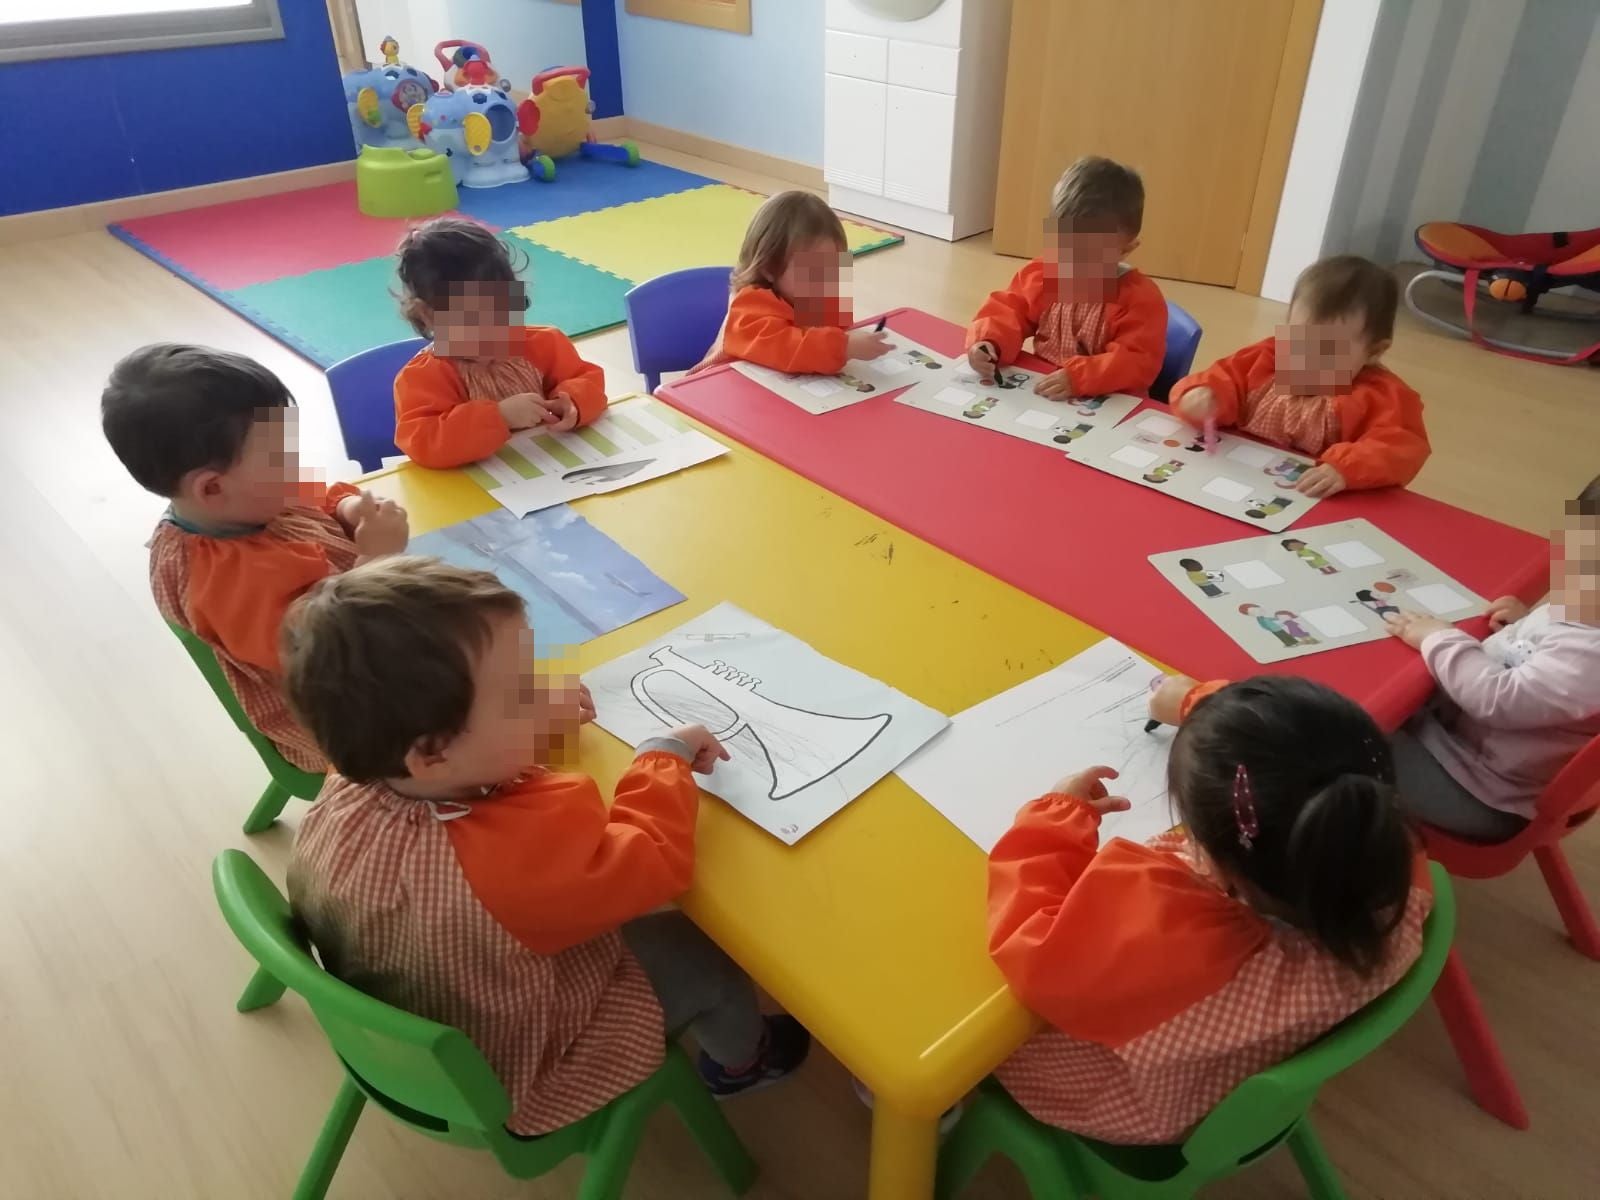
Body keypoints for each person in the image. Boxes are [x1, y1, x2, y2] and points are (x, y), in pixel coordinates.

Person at [283, 558, 809, 1135]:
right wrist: (663, 756)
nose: (541, 688)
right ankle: (744, 1063)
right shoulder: (514, 866)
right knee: (706, 958)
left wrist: (526, 721)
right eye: (522, 691)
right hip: (514, 1053)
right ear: (432, 752)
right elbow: (654, 859)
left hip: (410, 1012)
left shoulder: (352, 774)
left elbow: (472, 761)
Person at [987, 675, 1430, 1143]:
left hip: (1125, 1101)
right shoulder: (1389, 863)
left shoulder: (1179, 945)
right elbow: (1301, 755)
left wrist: (1055, 817)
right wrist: (1203, 708)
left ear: (1220, 866)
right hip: (1221, 1087)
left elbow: (1034, 944)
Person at [101, 344, 408, 772]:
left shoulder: (244, 500)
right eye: (280, 456)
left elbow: (314, 496)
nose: (295, 464)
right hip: (343, 719)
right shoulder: (225, 578)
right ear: (210, 488)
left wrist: (347, 509)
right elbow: (330, 651)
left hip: (373, 648)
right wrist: (376, 560)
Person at [1384, 475, 1600, 840]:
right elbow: (1553, 659)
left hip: (1479, 789)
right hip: (1470, 749)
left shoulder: (1590, 655)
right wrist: (1523, 625)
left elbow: (1497, 697)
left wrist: (1439, 638)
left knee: (1342, 740)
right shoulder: (1585, 612)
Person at [1171, 255, 1428, 497]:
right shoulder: (1266, 358)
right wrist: (1201, 395)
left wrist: (1345, 468)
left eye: (1326, 350)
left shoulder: (1383, 396)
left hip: (1314, 500)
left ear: (1374, 351)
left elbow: (1400, 448)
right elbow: (1222, 378)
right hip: (1237, 478)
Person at [392, 217, 609, 469]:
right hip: (475, 492)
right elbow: (424, 443)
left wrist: (573, 402)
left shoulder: (544, 344)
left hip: (554, 472)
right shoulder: (423, 378)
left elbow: (589, 380)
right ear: (428, 315)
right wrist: (499, 417)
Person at [965, 156, 1167, 399]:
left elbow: (1136, 362)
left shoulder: (1140, 299)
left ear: (1126, 249)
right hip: (1045, 391)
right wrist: (989, 341)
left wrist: (1079, 378)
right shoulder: (1043, 273)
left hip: (1107, 403)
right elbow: (1009, 310)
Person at [690, 190, 890, 376]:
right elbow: (787, 348)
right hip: (713, 392)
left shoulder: (818, 293)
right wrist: (843, 347)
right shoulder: (749, 308)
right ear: (768, 269)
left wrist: (847, 339)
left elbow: (834, 330)